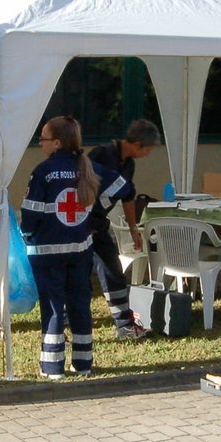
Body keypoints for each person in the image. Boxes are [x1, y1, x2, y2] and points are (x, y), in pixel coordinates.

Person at [22, 115, 113, 379]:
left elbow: (31, 213)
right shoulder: (87, 168)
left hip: (47, 253)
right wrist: (95, 222)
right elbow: (122, 186)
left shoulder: (43, 172)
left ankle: (52, 367)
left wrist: (26, 234)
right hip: (80, 251)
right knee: (80, 305)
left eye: (43, 139)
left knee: (52, 307)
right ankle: (83, 364)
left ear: (58, 143)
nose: (40, 144)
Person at [87, 119, 161, 340]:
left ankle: (124, 325)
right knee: (78, 276)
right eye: (148, 149)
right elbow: (80, 184)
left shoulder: (128, 164)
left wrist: (133, 228)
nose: (148, 154)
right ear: (137, 143)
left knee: (113, 270)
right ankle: (65, 324)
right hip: (80, 225)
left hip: (100, 225)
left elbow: (128, 197)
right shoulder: (100, 155)